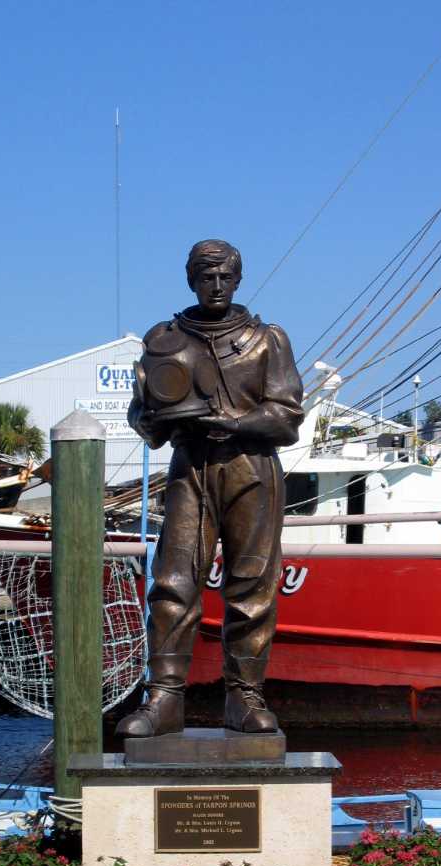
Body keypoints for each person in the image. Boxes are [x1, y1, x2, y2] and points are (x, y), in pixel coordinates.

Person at [116, 239, 304, 738]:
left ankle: (245, 696)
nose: (216, 285)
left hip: (251, 470)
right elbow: (144, 417)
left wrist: (235, 424)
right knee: (173, 582)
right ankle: (165, 697)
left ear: (239, 278)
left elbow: (286, 418)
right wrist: (152, 416)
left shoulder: (268, 340)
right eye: (206, 276)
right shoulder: (165, 340)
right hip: (190, 470)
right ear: (190, 279)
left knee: (252, 587)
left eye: (225, 276)